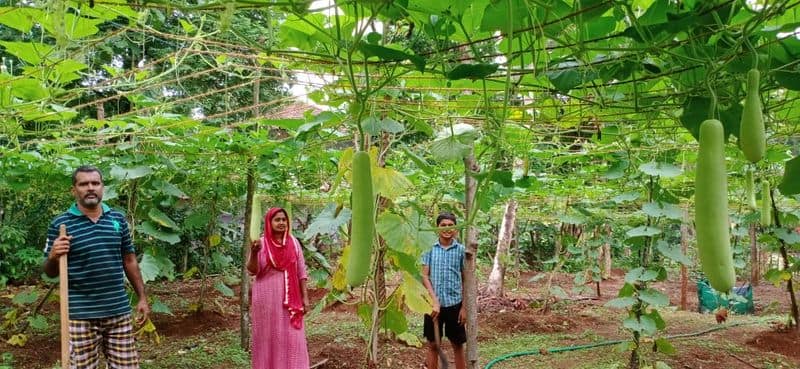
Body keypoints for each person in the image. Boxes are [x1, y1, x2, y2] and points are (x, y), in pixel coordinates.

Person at [43, 165, 150, 369]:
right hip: (80, 316)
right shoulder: (60, 224)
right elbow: (49, 272)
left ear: (102, 187)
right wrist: (54, 255)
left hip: (118, 311)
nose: (90, 188)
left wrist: (142, 298)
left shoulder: (117, 219)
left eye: (95, 183)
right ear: (74, 190)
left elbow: (129, 260)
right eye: (84, 184)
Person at [247, 207, 310, 369]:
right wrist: (254, 253)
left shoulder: (294, 243)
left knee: (292, 337)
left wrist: (306, 297)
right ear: (269, 222)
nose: (281, 222)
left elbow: (301, 272)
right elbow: (253, 270)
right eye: (277, 220)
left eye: (284, 219)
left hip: (291, 299)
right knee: (268, 337)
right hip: (266, 300)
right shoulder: (261, 243)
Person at [421, 212, 466, 369]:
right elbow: (425, 276)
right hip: (433, 306)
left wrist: (464, 307)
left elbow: (466, 280)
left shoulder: (461, 250)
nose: (447, 228)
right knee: (433, 345)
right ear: (437, 228)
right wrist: (434, 301)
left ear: (455, 229)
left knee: (457, 344)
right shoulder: (430, 249)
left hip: (454, 304)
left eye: (450, 225)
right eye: (443, 225)